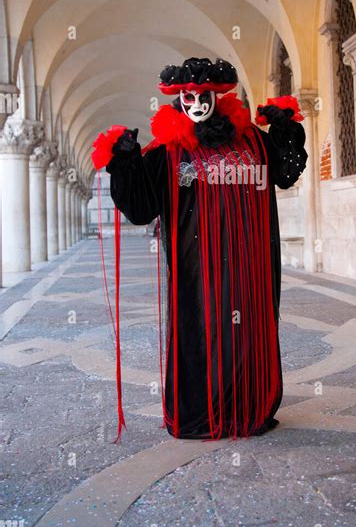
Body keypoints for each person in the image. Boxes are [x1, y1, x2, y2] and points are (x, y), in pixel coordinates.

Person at [92, 57, 307, 440]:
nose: (197, 102)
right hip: (197, 270)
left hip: (249, 264)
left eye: (203, 95)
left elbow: (285, 173)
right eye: (189, 96)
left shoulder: (254, 141)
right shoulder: (167, 152)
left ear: (217, 96)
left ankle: (249, 406)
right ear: (179, 100)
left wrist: (283, 129)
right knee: (204, 330)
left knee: (246, 332)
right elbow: (142, 208)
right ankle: (202, 411)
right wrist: (125, 160)